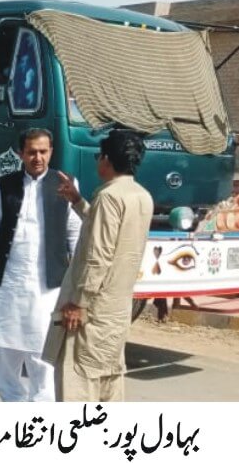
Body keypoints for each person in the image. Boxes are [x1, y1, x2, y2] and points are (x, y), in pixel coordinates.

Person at [0, 128, 82, 402]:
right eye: (32, 152)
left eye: (43, 151)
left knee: (42, 351)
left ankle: (40, 411)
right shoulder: (6, 184)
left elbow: (75, 235)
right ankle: (14, 404)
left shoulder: (66, 185)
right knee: (1, 350)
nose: (37, 157)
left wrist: (77, 284)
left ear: (51, 153)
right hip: (8, 281)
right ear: (21, 154)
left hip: (46, 286)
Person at [46, 131, 153, 402]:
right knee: (108, 379)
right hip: (116, 309)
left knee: (78, 382)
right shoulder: (141, 196)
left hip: (93, 309)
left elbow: (98, 255)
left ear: (106, 159)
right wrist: (78, 201)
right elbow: (106, 231)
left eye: (98, 156)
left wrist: (79, 302)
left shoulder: (109, 197)